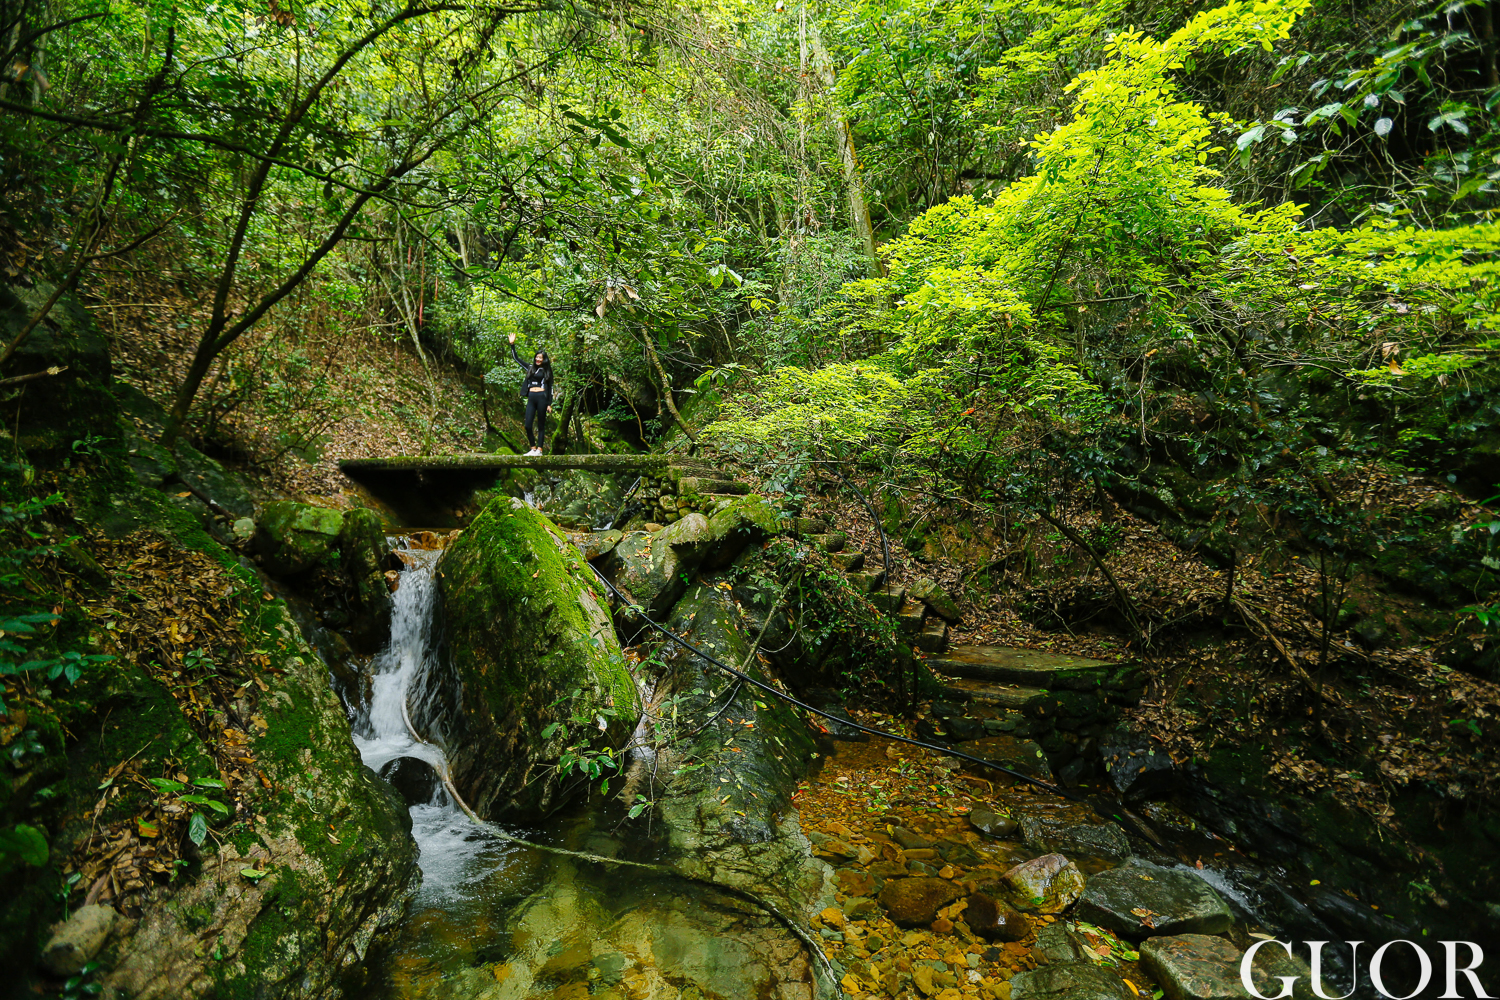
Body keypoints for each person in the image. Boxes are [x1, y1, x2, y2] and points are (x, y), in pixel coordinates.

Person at [508, 332, 554, 456]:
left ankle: (539, 450)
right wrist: (512, 345)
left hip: (542, 398)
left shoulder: (547, 371)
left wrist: (549, 404)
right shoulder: (530, 368)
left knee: (541, 425)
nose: (538, 359)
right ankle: (533, 448)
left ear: (544, 359)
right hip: (531, 398)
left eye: (541, 358)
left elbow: (550, 388)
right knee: (528, 424)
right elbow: (516, 359)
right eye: (537, 357)